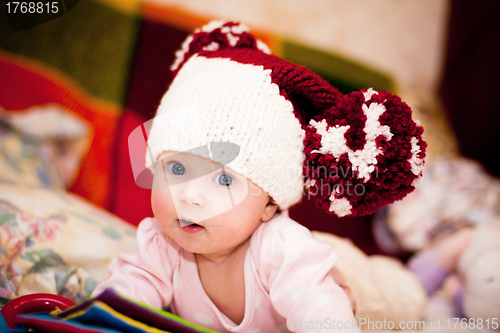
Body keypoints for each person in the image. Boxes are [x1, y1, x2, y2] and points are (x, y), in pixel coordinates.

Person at [92, 20, 426, 332]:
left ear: (269, 205)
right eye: (177, 168)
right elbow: (121, 301)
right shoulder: (161, 244)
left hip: (359, 285)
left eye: (224, 180)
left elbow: (322, 315)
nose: (190, 196)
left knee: (411, 296)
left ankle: (435, 264)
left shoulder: (282, 250)